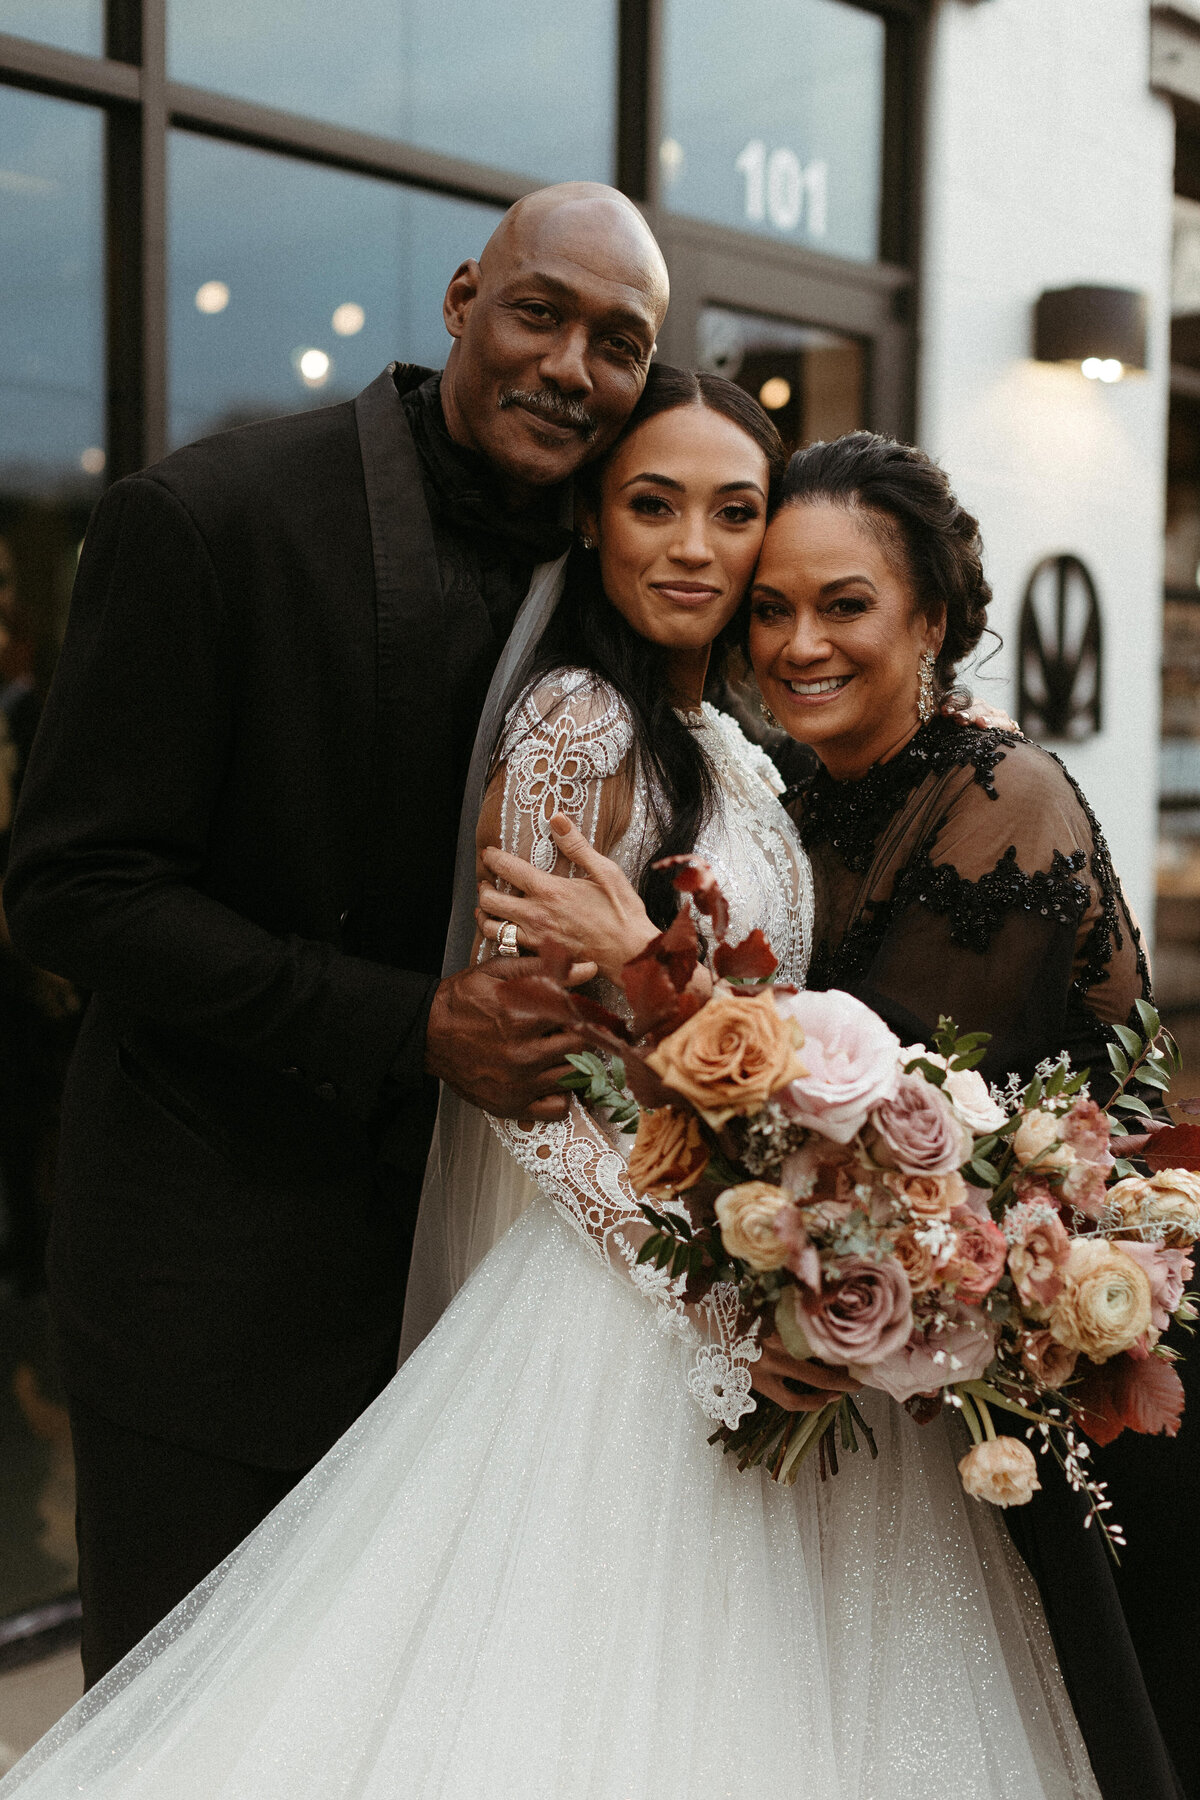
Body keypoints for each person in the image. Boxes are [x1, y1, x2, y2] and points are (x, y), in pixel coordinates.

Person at [0, 373, 1101, 1800]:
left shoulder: (723, 744)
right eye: (653, 504)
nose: (697, 547)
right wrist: (713, 1289)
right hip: (622, 1305)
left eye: (734, 513)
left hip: (732, 1266)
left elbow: (726, 1024)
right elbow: (532, 1086)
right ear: (590, 525)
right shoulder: (578, 727)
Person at [1, 180, 670, 1687]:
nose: (572, 365)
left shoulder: (622, 565)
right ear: (458, 300)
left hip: (480, 1316)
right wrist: (413, 1024)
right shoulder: (207, 519)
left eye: (618, 343)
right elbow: (72, 889)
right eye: (540, 311)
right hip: (213, 1294)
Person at [479, 430, 1180, 1800]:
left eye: (845, 604)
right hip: (878, 1354)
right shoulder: (773, 781)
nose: (799, 642)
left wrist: (647, 976)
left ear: (932, 617)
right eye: (773, 606)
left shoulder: (1002, 806)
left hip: (1031, 1380)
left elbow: (876, 1132)